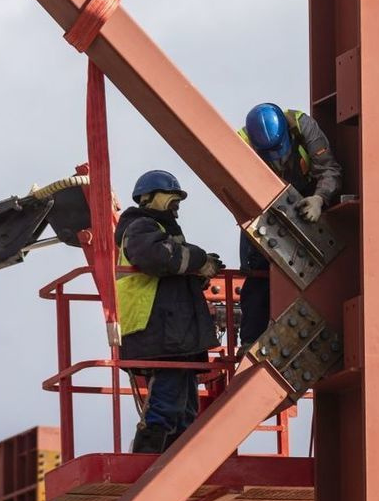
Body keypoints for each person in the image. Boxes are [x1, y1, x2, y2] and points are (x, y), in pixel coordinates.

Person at [115, 170, 224, 453]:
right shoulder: (140, 226)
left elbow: (171, 270)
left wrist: (197, 273)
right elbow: (158, 257)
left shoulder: (163, 232)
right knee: (167, 401)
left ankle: (175, 455)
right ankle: (148, 453)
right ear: (147, 197)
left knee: (185, 407)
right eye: (171, 195)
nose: (177, 202)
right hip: (158, 329)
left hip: (174, 332)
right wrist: (198, 260)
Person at [237, 103, 342, 348]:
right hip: (265, 209)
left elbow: (329, 169)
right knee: (257, 272)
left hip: (305, 200)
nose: (278, 157)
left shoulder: (303, 127)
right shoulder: (241, 145)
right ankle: (251, 342)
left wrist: (319, 199)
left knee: (316, 270)